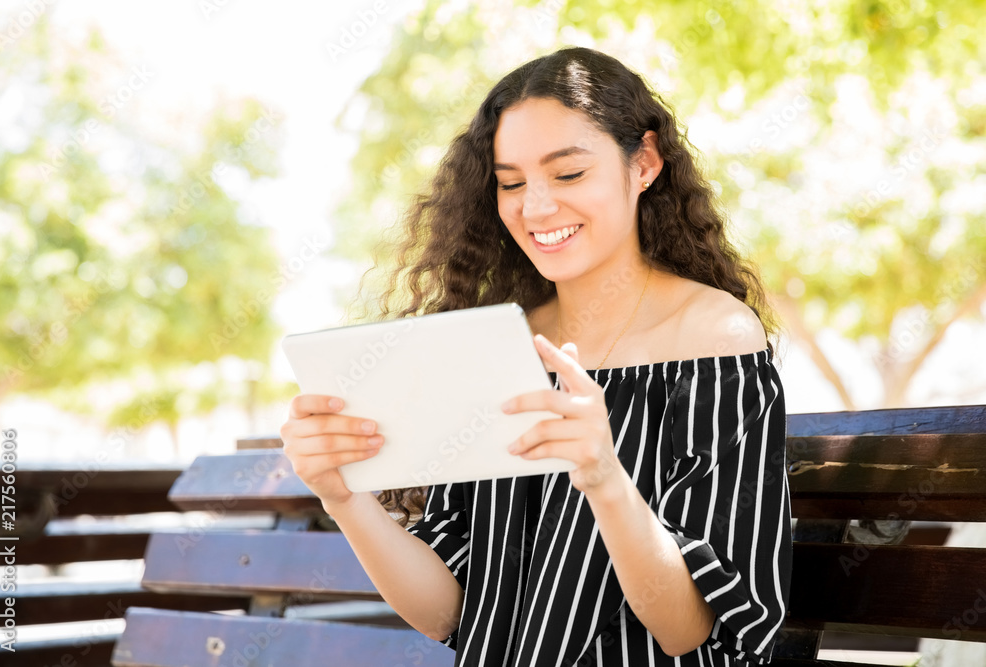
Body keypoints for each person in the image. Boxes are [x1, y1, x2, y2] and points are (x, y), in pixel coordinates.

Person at [281, 46, 792, 666]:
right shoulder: (494, 347)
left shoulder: (716, 338)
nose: (536, 207)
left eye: (568, 174)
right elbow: (449, 615)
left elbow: (689, 631)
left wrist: (605, 479)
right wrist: (343, 498)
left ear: (645, 163)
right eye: (512, 183)